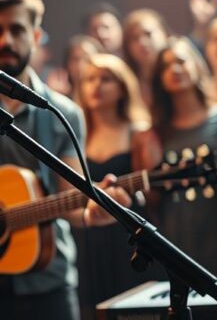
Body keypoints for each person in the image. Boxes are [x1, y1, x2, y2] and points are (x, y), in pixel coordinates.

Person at [0, 0, 128, 320]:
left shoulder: (63, 113)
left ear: (36, 36)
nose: (6, 40)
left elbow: (70, 200)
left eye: (17, 29)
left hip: (48, 284)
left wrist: (91, 213)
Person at [73, 54, 162, 319]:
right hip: (88, 238)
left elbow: (154, 195)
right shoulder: (76, 135)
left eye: (106, 79)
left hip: (129, 239)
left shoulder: (139, 133)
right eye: (90, 80)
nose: (96, 86)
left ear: (122, 87)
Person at [151, 37, 217, 277]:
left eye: (181, 61)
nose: (174, 70)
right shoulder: (156, 132)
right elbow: (152, 200)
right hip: (176, 236)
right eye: (166, 66)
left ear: (196, 65)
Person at [122, 9, 172, 106]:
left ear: (164, 34)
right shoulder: (125, 86)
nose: (142, 43)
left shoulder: (180, 71)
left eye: (148, 34)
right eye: (134, 38)